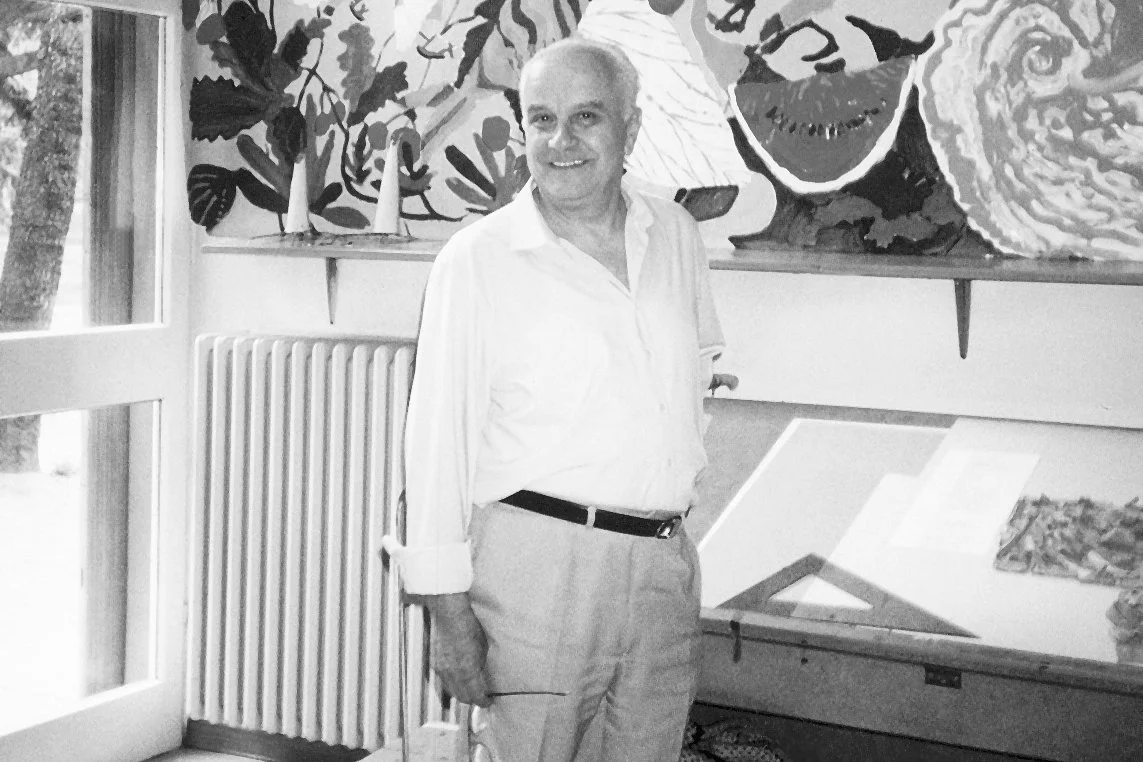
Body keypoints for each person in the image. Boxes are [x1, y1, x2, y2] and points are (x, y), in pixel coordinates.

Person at [383, 36, 724, 762]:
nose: (559, 141)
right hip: (536, 571)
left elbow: (691, 382)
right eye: (540, 119)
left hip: (661, 567)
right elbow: (436, 448)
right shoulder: (478, 261)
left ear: (630, 130)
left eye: (585, 118)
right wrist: (449, 617)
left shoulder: (676, 237)